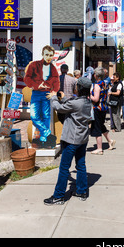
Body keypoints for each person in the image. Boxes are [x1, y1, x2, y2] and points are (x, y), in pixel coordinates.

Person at [44, 77, 93, 205]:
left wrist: (54, 97)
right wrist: (64, 97)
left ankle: (58, 196)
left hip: (72, 139)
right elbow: (73, 105)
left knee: (64, 168)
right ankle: (82, 191)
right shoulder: (87, 102)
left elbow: (58, 108)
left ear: (80, 88)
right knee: (81, 165)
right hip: (82, 139)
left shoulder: (76, 103)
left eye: (76, 85)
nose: (75, 87)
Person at [24, 45, 60, 149]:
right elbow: (27, 78)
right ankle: (48, 133)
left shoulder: (53, 68)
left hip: (47, 94)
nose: (49, 57)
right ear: (42, 54)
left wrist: (54, 91)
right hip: (36, 93)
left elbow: (56, 81)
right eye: (47, 55)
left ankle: (44, 140)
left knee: (46, 116)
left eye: (51, 55)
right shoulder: (34, 65)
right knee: (34, 116)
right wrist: (36, 85)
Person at [90, 66, 116, 154]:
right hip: (104, 107)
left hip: (97, 108)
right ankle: (110, 141)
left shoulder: (97, 85)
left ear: (96, 75)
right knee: (101, 126)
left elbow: (96, 99)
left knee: (97, 127)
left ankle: (99, 148)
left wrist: (89, 96)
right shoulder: (104, 84)